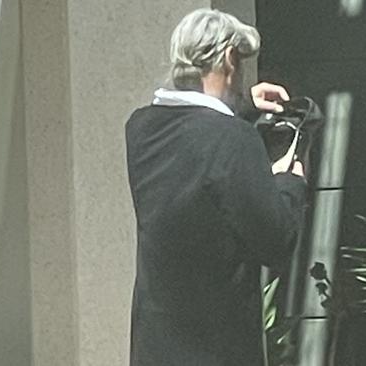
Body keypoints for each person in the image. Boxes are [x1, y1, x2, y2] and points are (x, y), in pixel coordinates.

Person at [125, 8, 307, 366]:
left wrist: (242, 106)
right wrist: (289, 181)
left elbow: (196, 140)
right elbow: (276, 243)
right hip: (219, 349)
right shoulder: (233, 141)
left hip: (155, 349)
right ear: (228, 58)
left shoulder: (141, 130)